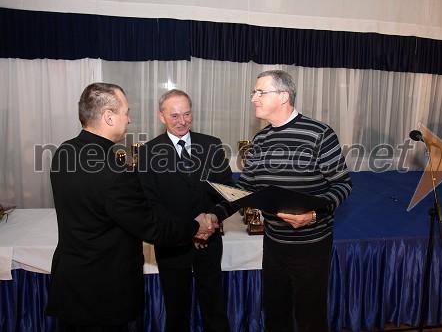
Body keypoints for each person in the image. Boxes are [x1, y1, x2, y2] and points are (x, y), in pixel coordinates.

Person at [46, 83, 216, 331]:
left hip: (71, 284)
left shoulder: (64, 152)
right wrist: (195, 226)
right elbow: (152, 228)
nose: (129, 119)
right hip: (104, 293)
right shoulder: (114, 172)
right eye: (125, 112)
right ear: (108, 117)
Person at [211, 70, 353, 332]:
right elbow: (246, 188)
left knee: (310, 320)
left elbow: (342, 185)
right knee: (276, 317)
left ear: (284, 95)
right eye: (253, 92)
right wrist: (214, 215)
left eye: (260, 92)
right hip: (274, 245)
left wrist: (313, 215)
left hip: (311, 247)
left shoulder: (318, 133)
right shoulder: (261, 139)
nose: (253, 98)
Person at [137, 89, 232, 332]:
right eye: (175, 116)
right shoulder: (148, 152)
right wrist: (190, 230)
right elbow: (150, 203)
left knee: (215, 311)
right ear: (161, 116)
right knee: (176, 313)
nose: (182, 121)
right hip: (172, 246)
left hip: (209, 242)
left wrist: (212, 219)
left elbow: (229, 193)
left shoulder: (212, 145)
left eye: (187, 114)